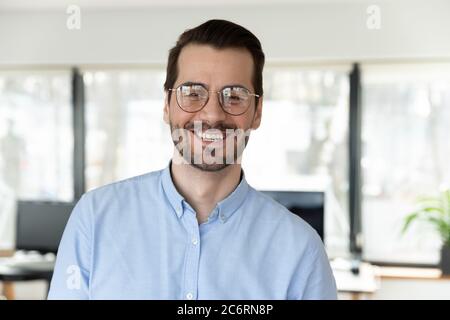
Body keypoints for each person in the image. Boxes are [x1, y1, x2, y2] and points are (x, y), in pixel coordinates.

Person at [48, 19, 337, 300]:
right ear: (166, 104)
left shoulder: (301, 250)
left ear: (257, 112)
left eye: (234, 96)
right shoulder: (96, 218)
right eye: (192, 93)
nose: (212, 115)